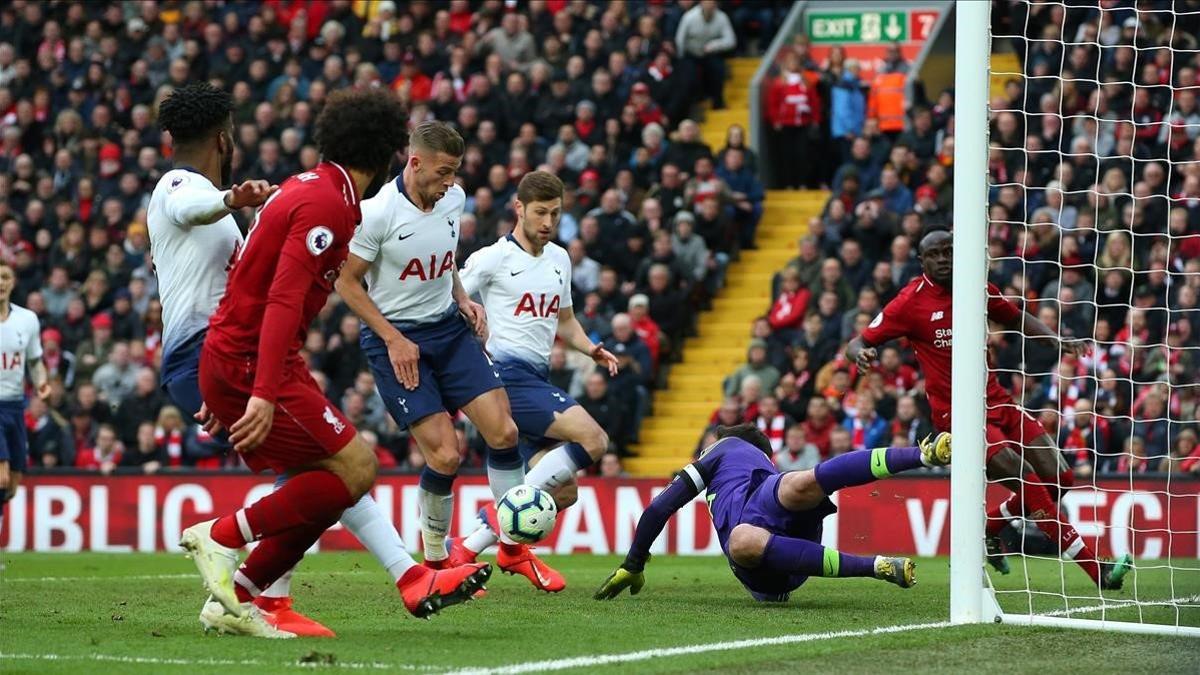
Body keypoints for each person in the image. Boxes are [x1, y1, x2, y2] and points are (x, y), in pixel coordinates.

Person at [152, 83, 472, 637]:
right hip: (240, 357)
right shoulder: (318, 200)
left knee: (326, 478)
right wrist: (263, 390)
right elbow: (279, 297)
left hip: (242, 354)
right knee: (354, 468)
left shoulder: (321, 191)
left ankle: (247, 598)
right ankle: (225, 537)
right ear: (391, 151)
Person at [846, 230, 1132, 588]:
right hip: (959, 415)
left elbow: (1015, 318)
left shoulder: (975, 286)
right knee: (1023, 475)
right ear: (922, 262)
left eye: (950, 251)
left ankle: (991, 529)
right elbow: (860, 339)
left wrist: (1057, 340)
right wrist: (860, 352)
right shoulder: (909, 302)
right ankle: (1097, 570)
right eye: (935, 254)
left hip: (997, 400)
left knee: (1061, 478)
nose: (944, 259)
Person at [336, 121, 523, 576]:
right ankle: (437, 559)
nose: (451, 182)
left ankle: (514, 546)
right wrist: (394, 338)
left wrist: (461, 297)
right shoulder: (377, 213)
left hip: (448, 328)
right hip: (395, 338)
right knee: (445, 455)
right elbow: (346, 281)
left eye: (455, 172)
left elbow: (444, 259)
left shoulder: (452, 200)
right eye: (443, 172)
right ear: (414, 163)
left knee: (505, 434)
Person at [454, 171, 620, 590]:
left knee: (564, 494)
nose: (548, 221)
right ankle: (498, 529)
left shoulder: (560, 259)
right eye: (541, 212)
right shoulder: (493, 258)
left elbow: (565, 321)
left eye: (556, 213)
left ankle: (472, 547)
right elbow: (448, 297)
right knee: (595, 440)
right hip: (503, 378)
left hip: (536, 376)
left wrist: (591, 349)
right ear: (519, 209)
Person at [595, 424, 952, 602]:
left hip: (768, 525)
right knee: (770, 511)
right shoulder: (754, 461)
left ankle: (920, 458)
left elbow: (661, 505)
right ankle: (917, 461)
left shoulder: (722, 449)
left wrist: (634, 562)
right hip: (766, 565)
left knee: (791, 488)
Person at [0, 261, 51, 520]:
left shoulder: (27, 320)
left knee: (11, 485)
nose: (0, 283)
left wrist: (41, 383)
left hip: (15, 405)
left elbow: (34, 361)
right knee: (1, 475)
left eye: (5, 277)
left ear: (12, 282)